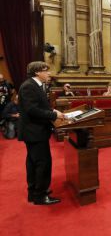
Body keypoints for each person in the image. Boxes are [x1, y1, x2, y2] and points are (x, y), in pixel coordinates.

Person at [18, 61, 64, 205]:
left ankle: (34, 192)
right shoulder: (29, 87)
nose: (49, 73)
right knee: (42, 163)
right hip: (34, 131)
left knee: (34, 162)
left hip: (36, 130)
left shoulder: (35, 85)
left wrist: (52, 111)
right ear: (37, 72)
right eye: (46, 70)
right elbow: (32, 110)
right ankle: (40, 195)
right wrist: (53, 115)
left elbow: (39, 105)